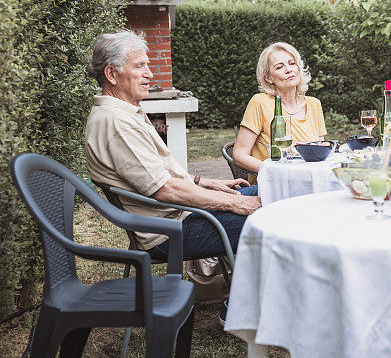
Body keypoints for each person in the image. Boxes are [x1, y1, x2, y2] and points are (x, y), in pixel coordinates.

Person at [85, 31, 261, 262]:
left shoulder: (123, 114)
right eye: (139, 66)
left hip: (182, 215)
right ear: (111, 74)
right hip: (169, 233)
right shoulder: (117, 123)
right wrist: (236, 202)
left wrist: (206, 183)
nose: (149, 74)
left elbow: (155, 175)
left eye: (147, 65)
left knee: (276, 192)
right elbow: (164, 189)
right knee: (274, 215)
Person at [233, 42, 327, 182]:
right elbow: (239, 155)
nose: (289, 70)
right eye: (279, 67)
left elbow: (318, 152)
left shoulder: (314, 104)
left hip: (309, 182)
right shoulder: (260, 102)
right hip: (272, 185)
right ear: (268, 78)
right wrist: (279, 173)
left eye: (292, 63)